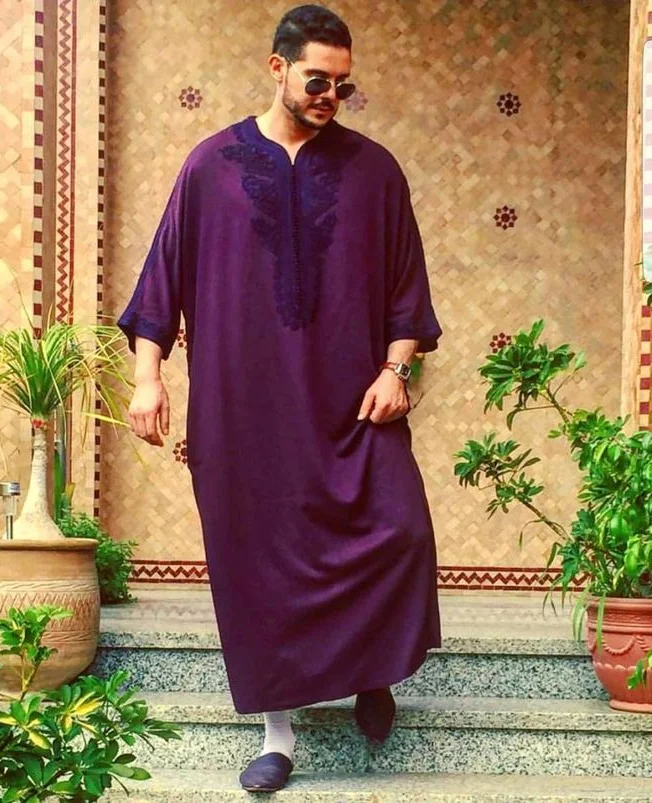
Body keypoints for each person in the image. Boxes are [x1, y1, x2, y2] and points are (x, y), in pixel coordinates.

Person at [118, 4, 443, 793]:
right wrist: (149, 377)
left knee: (399, 529)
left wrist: (396, 370)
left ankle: (372, 670)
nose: (331, 95)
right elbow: (161, 283)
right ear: (277, 68)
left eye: (343, 84)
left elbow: (408, 291)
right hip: (243, 412)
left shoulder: (374, 171)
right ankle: (278, 734)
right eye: (317, 80)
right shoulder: (212, 166)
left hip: (350, 406)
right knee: (256, 566)